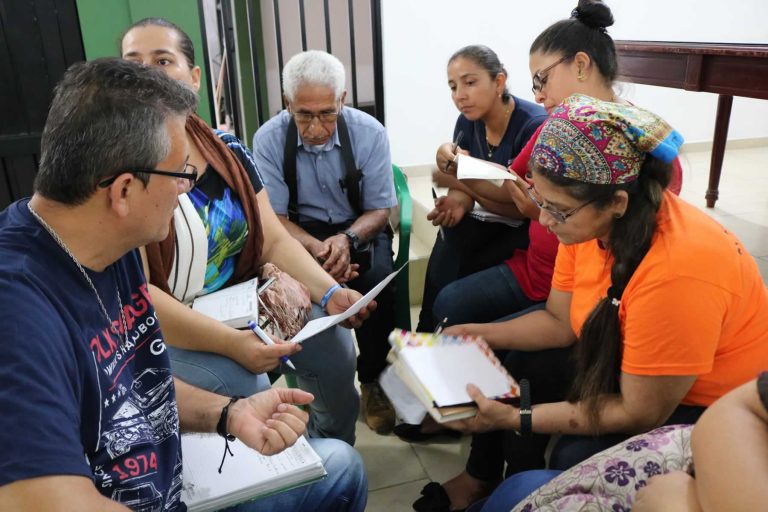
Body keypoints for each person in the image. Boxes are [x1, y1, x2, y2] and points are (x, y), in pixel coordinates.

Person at [0, 58, 366, 511]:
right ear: (124, 191)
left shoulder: (109, 247)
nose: (186, 191)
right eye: (180, 175)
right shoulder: (19, 312)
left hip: (173, 476)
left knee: (343, 467)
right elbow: (43, 502)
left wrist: (227, 414)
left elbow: (139, 385)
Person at [433, 93, 768, 512]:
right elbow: (560, 321)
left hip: (710, 405)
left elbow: (639, 411)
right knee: (521, 364)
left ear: (617, 203)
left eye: (558, 210)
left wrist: (518, 417)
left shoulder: (678, 271)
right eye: (540, 200)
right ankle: (502, 481)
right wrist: (477, 333)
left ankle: (529, 489)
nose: (545, 221)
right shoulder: (585, 225)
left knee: (573, 455)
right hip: (633, 363)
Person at [413, 2, 687, 508]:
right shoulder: (567, 200)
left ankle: (509, 479)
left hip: (615, 325)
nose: (537, 95)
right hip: (559, 289)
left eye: (541, 79)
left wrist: (516, 414)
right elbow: (559, 309)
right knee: (465, 311)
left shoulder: (647, 219)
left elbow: (639, 401)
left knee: (525, 372)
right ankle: (491, 470)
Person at [121, 19, 372, 446]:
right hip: (172, 325)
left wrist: (331, 293)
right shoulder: (121, 172)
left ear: (194, 77)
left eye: (162, 60)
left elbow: (273, 239)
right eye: (133, 62)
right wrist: (234, 344)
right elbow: (141, 295)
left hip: (240, 299)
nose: (147, 73)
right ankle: (285, 470)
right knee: (244, 383)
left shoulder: (228, 151)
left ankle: (331, 446)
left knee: (333, 338)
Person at [252, 50, 398, 435]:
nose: (316, 127)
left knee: (378, 283)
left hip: (357, 227)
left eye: (327, 114)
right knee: (293, 294)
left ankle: (374, 380)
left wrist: (347, 240)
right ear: (287, 103)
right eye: (304, 115)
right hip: (297, 233)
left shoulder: (369, 133)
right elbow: (275, 220)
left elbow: (380, 209)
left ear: (342, 100)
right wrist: (317, 250)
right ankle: (312, 384)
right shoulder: (268, 140)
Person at [474, 372, 768, 511]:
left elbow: (637, 411)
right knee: (519, 487)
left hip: (676, 473)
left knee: (564, 456)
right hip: (676, 467)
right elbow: (739, 407)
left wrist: (518, 418)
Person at [415, 45, 547, 334]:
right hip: (490, 221)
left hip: (526, 231)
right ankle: (429, 327)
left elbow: (519, 206)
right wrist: (458, 201)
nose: (460, 95)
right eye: (453, 87)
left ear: (499, 82)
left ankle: (438, 328)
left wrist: (457, 178)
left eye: (470, 83)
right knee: (452, 232)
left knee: (459, 262)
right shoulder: (467, 122)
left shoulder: (533, 125)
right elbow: (468, 185)